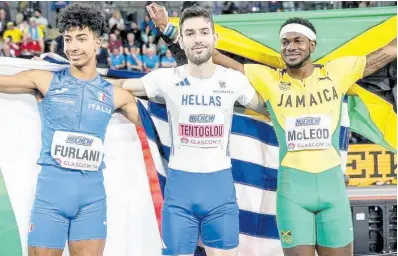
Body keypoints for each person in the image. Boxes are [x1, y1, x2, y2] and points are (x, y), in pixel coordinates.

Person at [148, 4, 397, 256]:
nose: (291, 47)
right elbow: (211, 55)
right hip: (293, 195)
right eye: (285, 42)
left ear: (312, 45)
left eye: (298, 40)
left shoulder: (338, 71)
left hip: (333, 194)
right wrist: (167, 29)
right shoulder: (269, 78)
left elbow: (389, 50)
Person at [115, 4, 267, 256]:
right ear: (182, 41)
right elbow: (120, 86)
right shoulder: (165, 78)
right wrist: (75, 84)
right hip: (179, 196)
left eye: (204, 32)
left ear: (214, 38)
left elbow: (273, 109)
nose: (198, 39)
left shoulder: (233, 81)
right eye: (191, 34)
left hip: (220, 195)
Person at [0, 3, 141, 256]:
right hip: (50, 200)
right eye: (68, 39)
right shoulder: (43, 80)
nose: (73, 46)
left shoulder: (117, 95)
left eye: (81, 38)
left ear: (98, 42)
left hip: (92, 202)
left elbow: (162, 125)